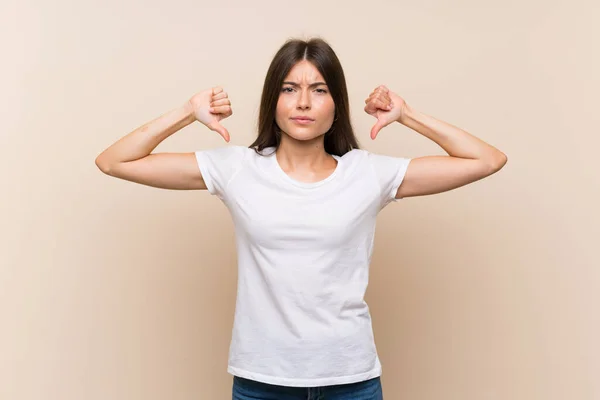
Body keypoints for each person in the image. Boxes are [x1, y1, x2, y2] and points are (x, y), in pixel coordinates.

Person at [95, 37, 507, 400]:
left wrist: (407, 115)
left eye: (319, 89)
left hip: (351, 380)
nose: (304, 102)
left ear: (336, 104)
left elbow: (487, 160)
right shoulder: (238, 169)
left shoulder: (366, 174)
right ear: (273, 100)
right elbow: (114, 161)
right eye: (289, 89)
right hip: (261, 380)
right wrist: (187, 112)